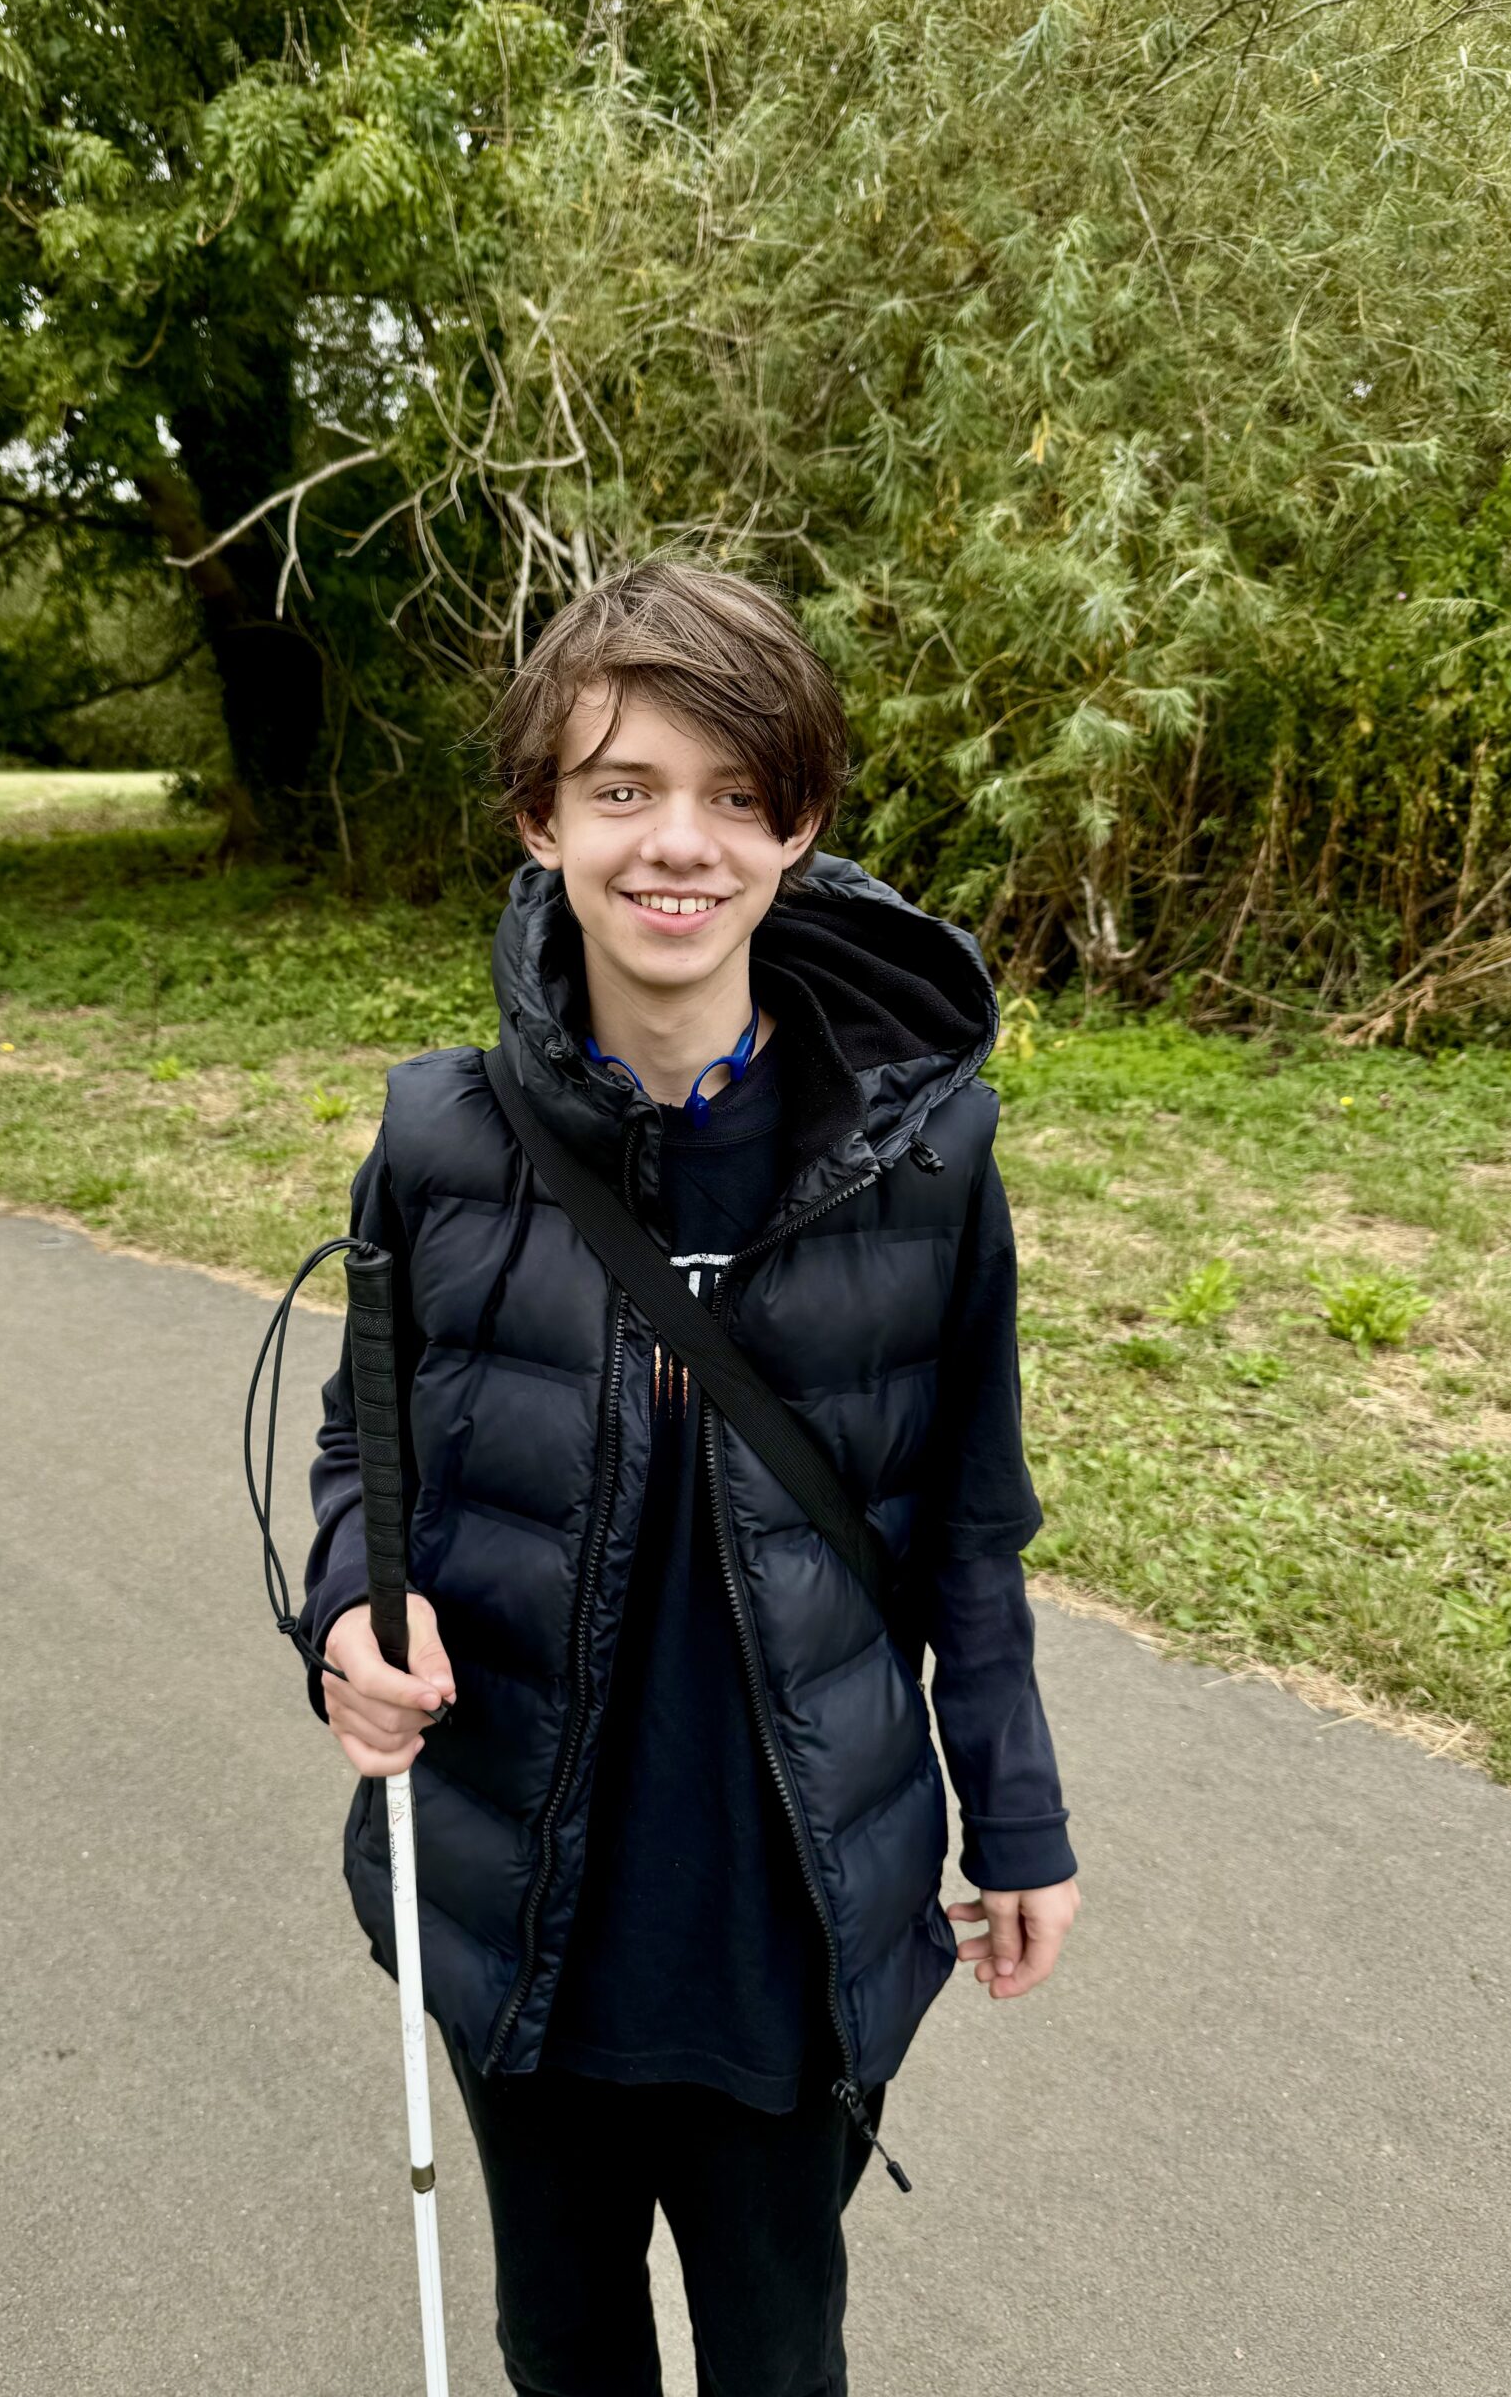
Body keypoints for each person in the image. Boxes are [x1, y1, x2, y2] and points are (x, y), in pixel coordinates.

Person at [299, 561, 1080, 2397]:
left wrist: (1018, 1816)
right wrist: (351, 1604)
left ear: (799, 829)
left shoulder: (926, 1153)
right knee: (561, 2346)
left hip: (784, 1919)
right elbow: (364, 1448)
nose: (681, 845)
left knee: (775, 2357)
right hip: (527, 1905)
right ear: (539, 819)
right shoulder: (439, 1140)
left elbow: (971, 1516)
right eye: (623, 788)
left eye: (740, 796)